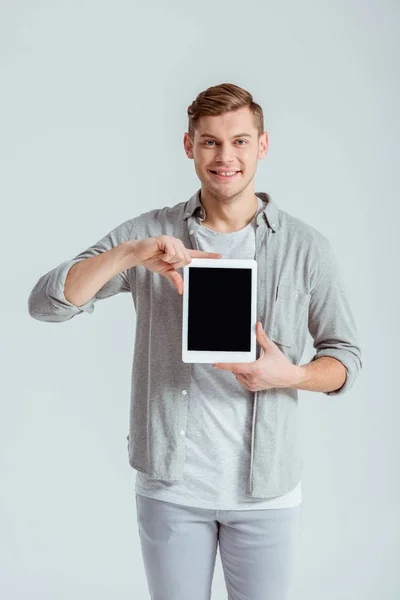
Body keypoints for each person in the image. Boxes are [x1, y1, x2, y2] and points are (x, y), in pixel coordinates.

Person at [28, 82, 362, 600]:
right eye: (209, 142)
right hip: (171, 489)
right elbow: (47, 304)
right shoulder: (152, 232)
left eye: (240, 142)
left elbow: (346, 357)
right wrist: (130, 254)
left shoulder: (306, 248)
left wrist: (292, 375)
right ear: (189, 147)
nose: (225, 156)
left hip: (267, 493)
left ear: (263, 145)